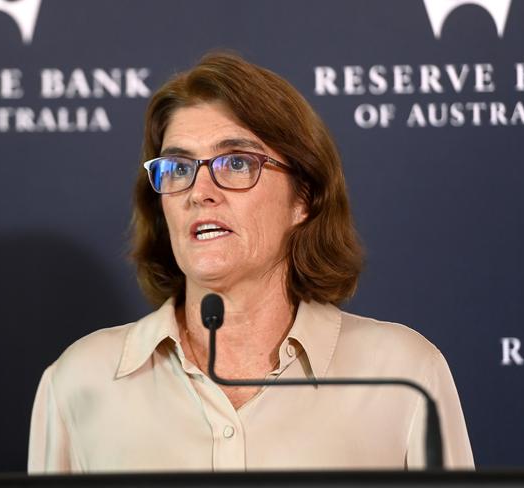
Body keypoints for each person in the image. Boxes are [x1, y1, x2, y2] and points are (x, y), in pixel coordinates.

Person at [28, 52, 474, 472]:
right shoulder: (80, 380)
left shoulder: (403, 374)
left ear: (303, 197)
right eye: (179, 168)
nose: (200, 191)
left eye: (236, 162)